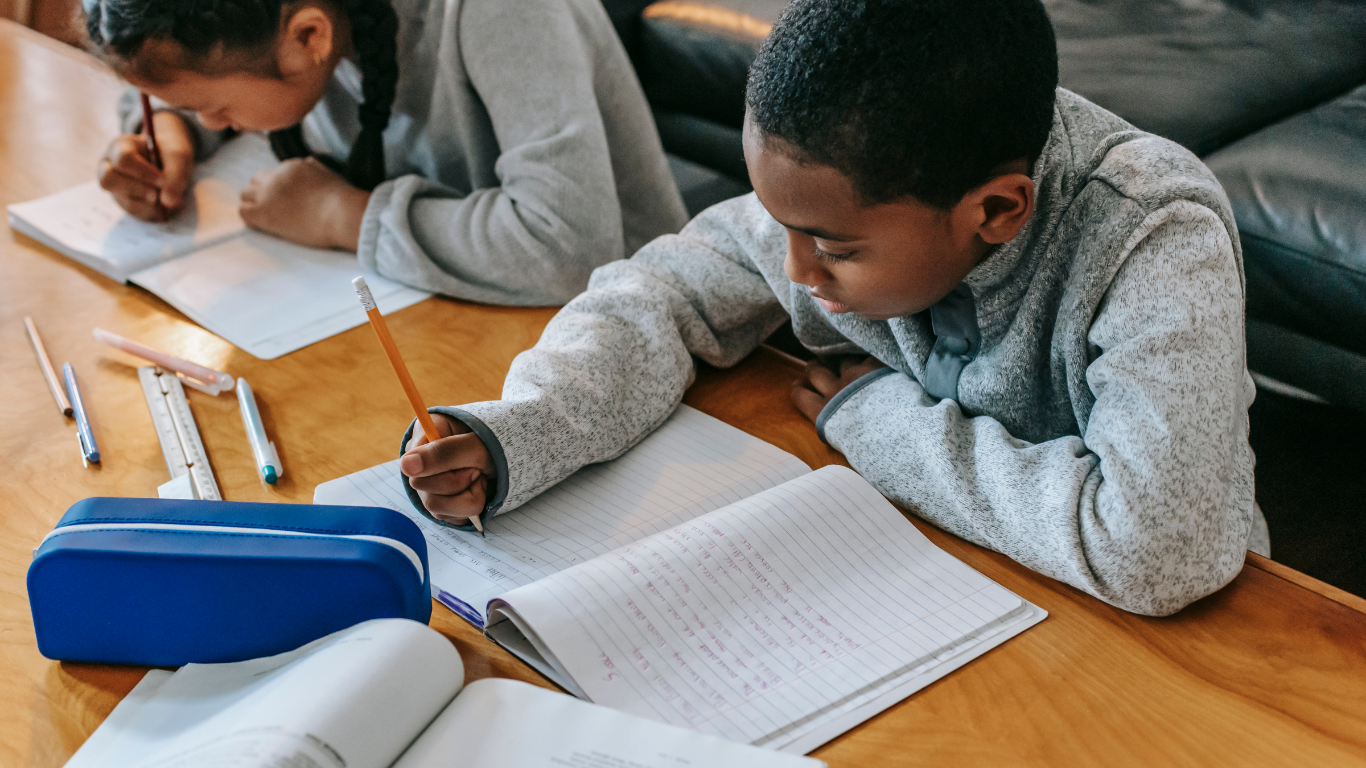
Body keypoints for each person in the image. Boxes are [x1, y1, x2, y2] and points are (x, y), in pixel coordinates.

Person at [395, 0, 1266, 616]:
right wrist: (523, 430)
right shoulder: (840, 189)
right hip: (934, 583)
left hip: (1163, 645)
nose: (791, 268)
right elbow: (657, 289)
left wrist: (881, 421)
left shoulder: (1154, 236)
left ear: (998, 211)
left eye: (833, 248)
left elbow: (1160, 552)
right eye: (778, 225)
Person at [84, 0, 688, 305]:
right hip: (449, 310)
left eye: (212, 110)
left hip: (628, 323)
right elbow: (215, 74)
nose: (214, 123)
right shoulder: (279, 28)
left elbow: (570, 246)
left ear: (309, 36)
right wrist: (169, 130)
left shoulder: (498, 12)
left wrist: (339, 215)